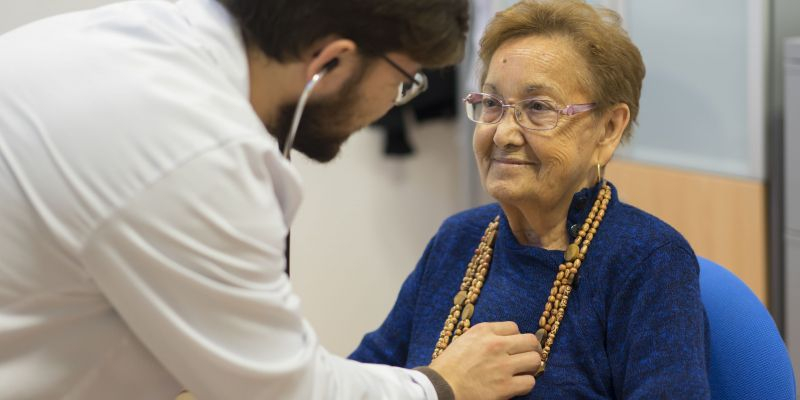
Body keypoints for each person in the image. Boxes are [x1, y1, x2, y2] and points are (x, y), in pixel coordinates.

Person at [0, 0, 544, 399]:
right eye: (405, 81)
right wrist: (440, 387)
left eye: (540, 108)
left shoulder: (138, 36)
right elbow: (284, 389)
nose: (392, 104)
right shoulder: (193, 150)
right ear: (331, 61)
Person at [350, 0, 712, 398]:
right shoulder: (459, 239)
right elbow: (363, 378)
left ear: (608, 129)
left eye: (538, 108)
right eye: (491, 104)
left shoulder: (647, 262)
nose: (503, 133)